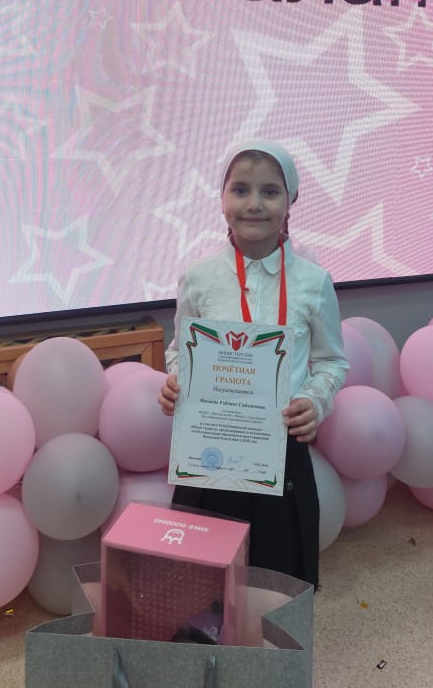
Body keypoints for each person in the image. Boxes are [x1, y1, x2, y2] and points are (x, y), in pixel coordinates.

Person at [158, 139, 348, 587]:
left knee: (277, 582)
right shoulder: (199, 278)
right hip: (209, 452)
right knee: (203, 583)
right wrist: (176, 381)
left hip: (280, 451)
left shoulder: (313, 282)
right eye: (240, 189)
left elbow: (332, 362)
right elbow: (179, 349)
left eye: (270, 191)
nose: (254, 204)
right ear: (222, 196)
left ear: (291, 199)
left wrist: (314, 402)